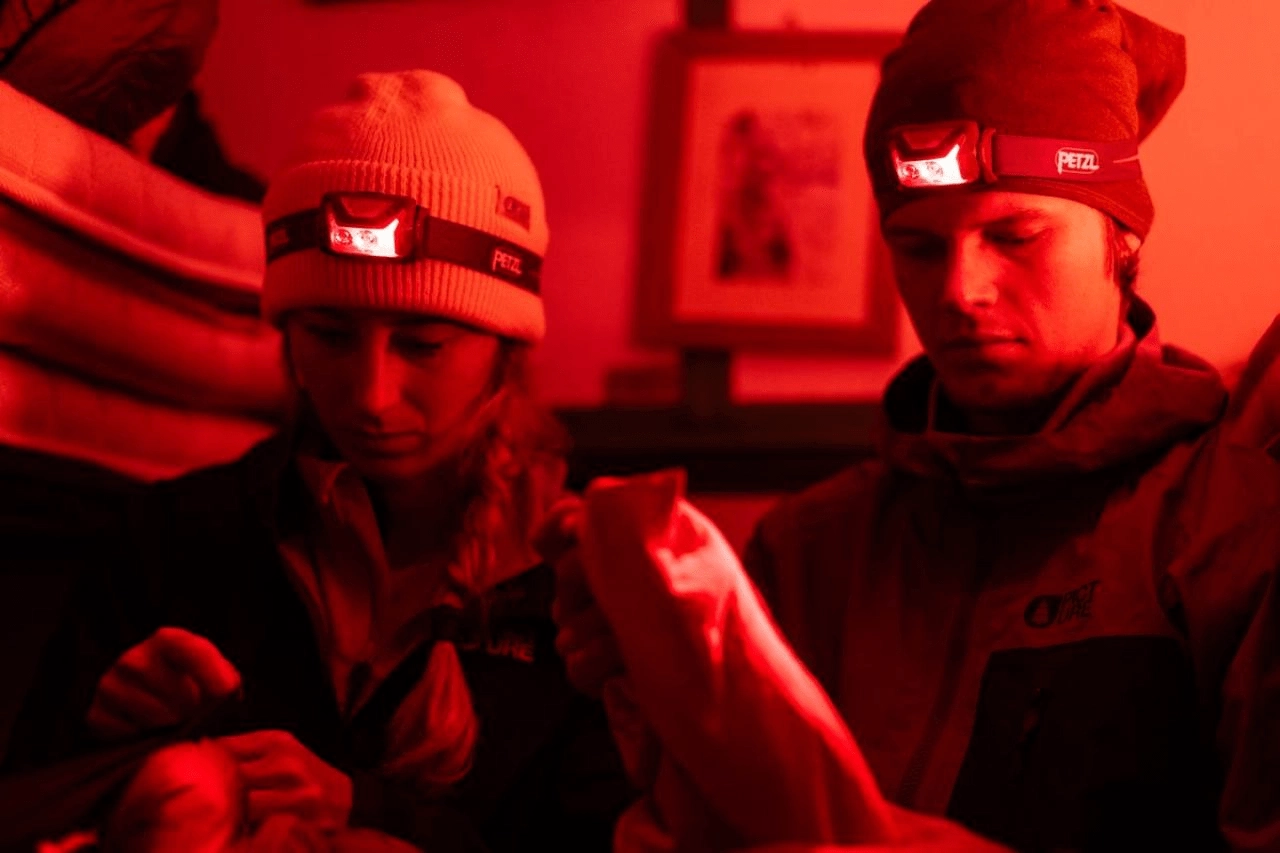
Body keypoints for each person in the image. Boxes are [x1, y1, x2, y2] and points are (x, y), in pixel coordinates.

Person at [551, 2, 1280, 850]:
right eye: (920, 248)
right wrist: (653, 706)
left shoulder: (1230, 532)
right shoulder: (809, 549)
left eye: (1014, 235)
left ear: (1121, 237)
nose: (959, 291)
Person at [4, 70, 632, 851]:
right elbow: (25, 804)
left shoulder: (585, 579)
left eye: (423, 345)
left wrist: (371, 811)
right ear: (287, 333)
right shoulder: (171, 539)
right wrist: (100, 729)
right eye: (331, 336)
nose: (372, 395)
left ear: (506, 348)